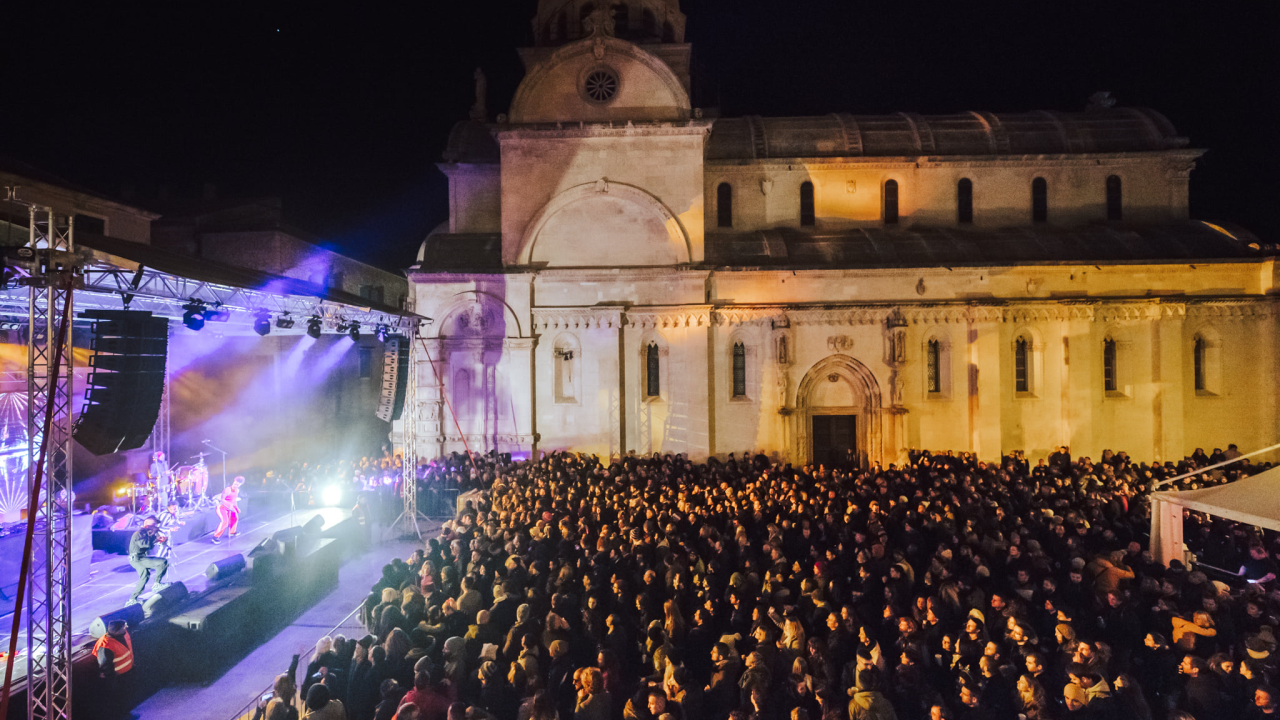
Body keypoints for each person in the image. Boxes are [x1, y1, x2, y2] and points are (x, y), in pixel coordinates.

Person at [94, 619, 134, 719]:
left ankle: (126, 714)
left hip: (126, 673)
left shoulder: (123, 634)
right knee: (118, 700)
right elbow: (105, 666)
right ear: (116, 632)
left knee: (125, 697)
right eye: (124, 627)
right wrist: (113, 681)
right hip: (117, 678)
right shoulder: (105, 645)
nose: (126, 628)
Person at [127, 516, 170, 605]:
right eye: (154, 525)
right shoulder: (139, 533)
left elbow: (149, 545)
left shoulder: (146, 533)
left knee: (144, 577)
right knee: (162, 562)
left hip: (140, 558)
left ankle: (132, 599)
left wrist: (158, 539)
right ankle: (157, 584)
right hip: (137, 559)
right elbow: (144, 544)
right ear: (147, 525)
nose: (156, 526)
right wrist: (155, 539)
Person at [213, 475, 246, 544]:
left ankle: (232, 532)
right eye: (236, 483)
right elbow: (222, 500)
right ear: (234, 482)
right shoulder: (227, 489)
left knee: (235, 518)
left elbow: (234, 500)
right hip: (222, 507)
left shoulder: (237, 490)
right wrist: (229, 505)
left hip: (230, 508)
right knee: (225, 521)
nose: (236, 484)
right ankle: (216, 537)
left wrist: (236, 508)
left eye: (238, 484)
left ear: (240, 485)